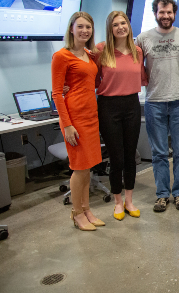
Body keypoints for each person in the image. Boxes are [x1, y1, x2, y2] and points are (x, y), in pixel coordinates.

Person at [136, 0, 179, 213]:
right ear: (155, 13)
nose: (166, 16)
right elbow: (125, 58)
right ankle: (162, 195)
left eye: (169, 12)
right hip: (154, 102)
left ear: (175, 13)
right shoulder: (143, 38)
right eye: (162, 12)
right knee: (159, 153)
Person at [51, 12, 105, 231]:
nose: (85, 31)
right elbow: (56, 94)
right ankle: (77, 213)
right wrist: (67, 125)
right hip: (75, 119)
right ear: (71, 29)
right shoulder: (61, 56)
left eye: (88, 27)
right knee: (79, 168)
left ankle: (87, 209)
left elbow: (93, 81)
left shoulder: (89, 55)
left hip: (91, 116)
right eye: (80, 27)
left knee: (88, 167)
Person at [94, 11, 148, 221]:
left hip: (131, 105)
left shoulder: (137, 51)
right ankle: (117, 201)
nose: (120, 27)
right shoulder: (101, 50)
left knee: (130, 157)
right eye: (115, 24)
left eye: (123, 23)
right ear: (110, 28)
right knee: (116, 158)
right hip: (108, 106)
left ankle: (129, 200)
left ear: (128, 25)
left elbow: (143, 76)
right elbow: (89, 74)